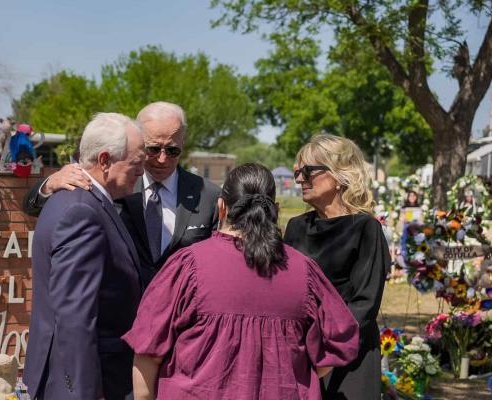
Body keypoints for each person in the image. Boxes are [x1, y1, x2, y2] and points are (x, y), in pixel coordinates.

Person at [124, 163, 359, 400]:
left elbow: (147, 353)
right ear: (274, 210)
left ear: (221, 207)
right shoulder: (304, 270)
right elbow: (338, 341)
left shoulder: (187, 265)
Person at [24, 102, 219, 288]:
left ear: (182, 143)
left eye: (172, 150)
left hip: (182, 317)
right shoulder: (114, 184)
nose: (162, 158)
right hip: (123, 315)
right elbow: (31, 207)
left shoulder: (208, 195)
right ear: (139, 142)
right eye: (153, 149)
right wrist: (49, 184)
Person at [23, 113, 146, 400]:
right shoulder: (82, 212)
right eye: (136, 164)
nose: (142, 174)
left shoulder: (72, 200)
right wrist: (82, 393)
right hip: (88, 382)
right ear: (105, 160)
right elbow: (74, 317)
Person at [284, 134, 390, 399]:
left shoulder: (366, 228)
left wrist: (327, 356)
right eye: (298, 172)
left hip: (349, 355)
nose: (299, 180)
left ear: (340, 173)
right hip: (299, 350)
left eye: (308, 171)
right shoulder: (296, 227)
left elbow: (364, 304)